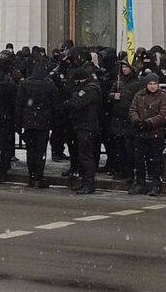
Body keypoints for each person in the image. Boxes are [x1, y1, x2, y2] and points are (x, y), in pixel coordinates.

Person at [15, 57, 59, 189]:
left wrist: (18, 122)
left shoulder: (25, 84)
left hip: (29, 121)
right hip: (43, 121)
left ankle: (31, 174)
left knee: (31, 149)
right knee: (41, 150)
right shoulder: (49, 84)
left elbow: (19, 103)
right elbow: (55, 104)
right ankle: (38, 175)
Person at [128, 73, 166, 196]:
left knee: (155, 160)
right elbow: (133, 109)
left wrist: (149, 122)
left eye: (154, 84)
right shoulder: (139, 95)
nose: (152, 86)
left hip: (155, 132)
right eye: (150, 84)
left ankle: (155, 184)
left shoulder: (162, 96)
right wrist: (136, 120)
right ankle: (140, 184)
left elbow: (163, 115)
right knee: (139, 160)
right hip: (140, 132)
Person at [64, 63, 103, 194]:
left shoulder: (90, 89)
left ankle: (89, 183)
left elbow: (76, 103)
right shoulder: (90, 87)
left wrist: (71, 99)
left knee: (86, 156)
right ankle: (85, 182)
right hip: (84, 125)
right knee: (83, 155)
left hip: (87, 126)